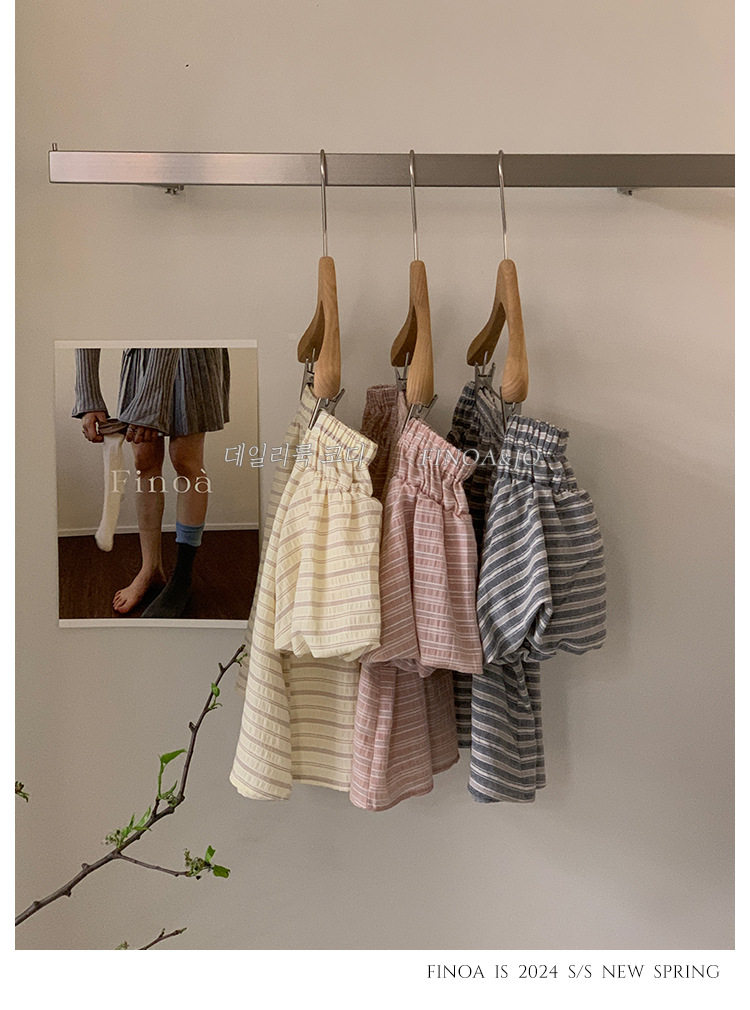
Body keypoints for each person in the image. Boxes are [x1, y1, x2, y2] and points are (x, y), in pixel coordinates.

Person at [72, 346, 230, 618]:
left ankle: (182, 577)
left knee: (186, 460)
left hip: (190, 348)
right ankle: (150, 568)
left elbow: (173, 325)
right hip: (143, 354)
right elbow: (84, 324)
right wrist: (89, 397)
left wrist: (149, 406)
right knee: (144, 461)